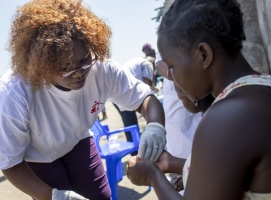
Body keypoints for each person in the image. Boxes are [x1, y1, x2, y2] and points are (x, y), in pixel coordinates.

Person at [0, 0, 166, 200]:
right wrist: (52, 196)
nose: (79, 73)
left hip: (78, 141)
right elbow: (9, 163)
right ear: (42, 65)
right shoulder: (13, 93)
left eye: (84, 60)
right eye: (64, 67)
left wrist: (155, 127)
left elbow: (145, 98)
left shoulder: (102, 70)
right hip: (37, 157)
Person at [127, 0, 271, 199]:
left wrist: (152, 177)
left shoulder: (225, 119)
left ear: (204, 55)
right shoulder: (260, 87)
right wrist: (174, 165)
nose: (171, 77)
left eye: (171, 66)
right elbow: (230, 168)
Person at [155, 53, 202, 160]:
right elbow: (159, 63)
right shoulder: (167, 39)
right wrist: (181, 80)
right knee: (183, 146)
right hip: (179, 103)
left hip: (194, 96)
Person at [114, 56, 159, 145]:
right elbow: (148, 87)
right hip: (125, 93)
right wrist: (155, 89)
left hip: (117, 93)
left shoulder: (137, 62)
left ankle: (135, 146)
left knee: (129, 123)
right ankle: (140, 147)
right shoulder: (148, 64)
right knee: (148, 117)